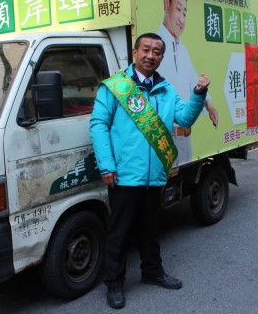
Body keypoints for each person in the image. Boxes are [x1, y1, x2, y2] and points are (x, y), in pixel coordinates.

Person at [90, 33, 211, 309]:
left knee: (149, 228)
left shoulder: (166, 90)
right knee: (119, 232)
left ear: (161, 57)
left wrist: (198, 94)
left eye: (157, 52)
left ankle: (152, 272)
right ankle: (114, 284)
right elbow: (98, 125)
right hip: (123, 175)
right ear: (135, 52)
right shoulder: (115, 87)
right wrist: (107, 165)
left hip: (155, 175)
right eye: (146, 49)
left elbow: (183, 118)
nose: (151, 55)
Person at [156, 0, 218, 165]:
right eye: (178, 9)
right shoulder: (156, 46)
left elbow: (193, 83)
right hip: (165, 141)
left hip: (184, 139)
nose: (182, 19)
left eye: (185, 12)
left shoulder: (182, 50)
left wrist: (209, 104)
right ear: (166, 3)